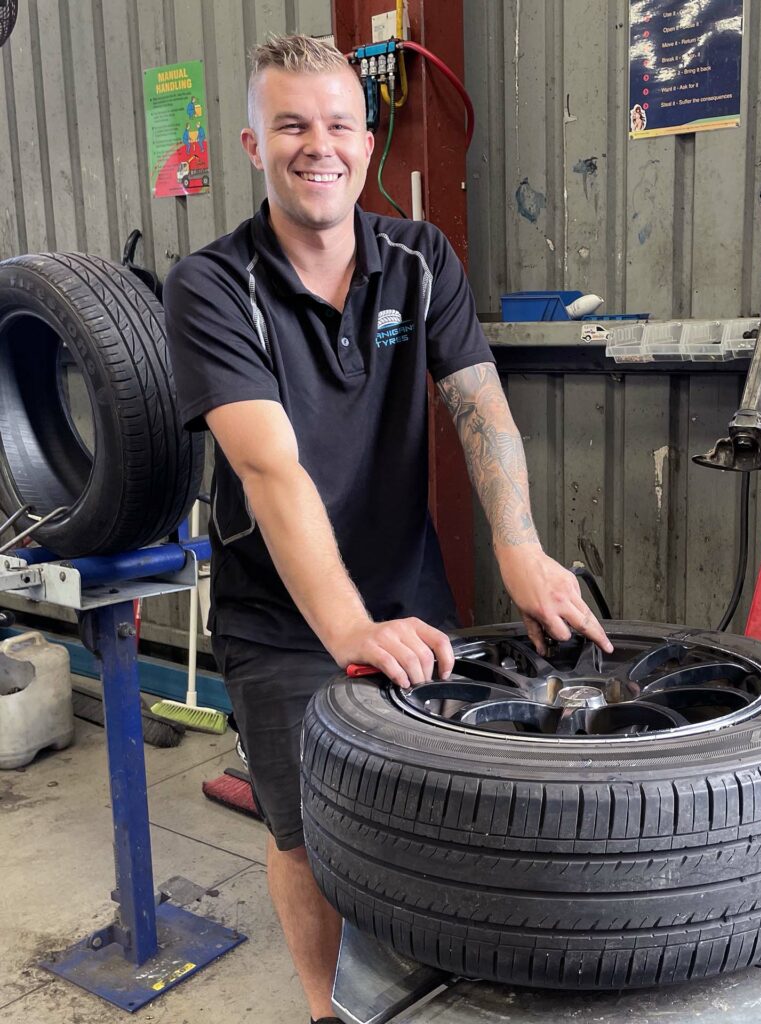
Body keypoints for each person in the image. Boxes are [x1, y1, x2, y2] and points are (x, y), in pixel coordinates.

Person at [162, 33, 612, 1024]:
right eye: (290, 125)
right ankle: (329, 1010)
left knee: (432, 806)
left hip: (410, 592)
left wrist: (518, 547)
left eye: (335, 125)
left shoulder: (419, 257)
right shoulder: (210, 286)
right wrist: (345, 630)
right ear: (252, 143)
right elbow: (268, 469)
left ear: (366, 146)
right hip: (282, 620)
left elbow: (480, 405)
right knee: (305, 829)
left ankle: (424, 978)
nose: (314, 146)